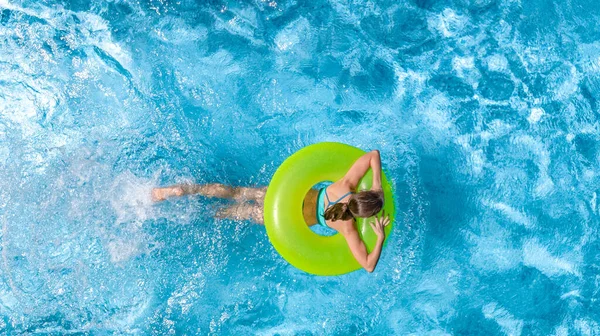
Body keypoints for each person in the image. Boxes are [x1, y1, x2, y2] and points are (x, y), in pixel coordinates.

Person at [152, 150, 390, 272]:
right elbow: (368, 265)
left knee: (235, 192)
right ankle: (200, 215)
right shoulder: (348, 228)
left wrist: (377, 184)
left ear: (362, 193)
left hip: (278, 197)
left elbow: (373, 155)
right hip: (277, 218)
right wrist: (379, 237)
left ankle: (184, 190)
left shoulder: (346, 185)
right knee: (229, 212)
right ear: (363, 216)